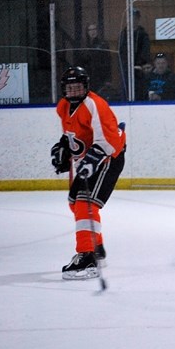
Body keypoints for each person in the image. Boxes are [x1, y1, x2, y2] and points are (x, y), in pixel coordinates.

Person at [50, 66, 126, 280]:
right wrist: (63, 149)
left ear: (86, 87)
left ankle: (88, 256)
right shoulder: (63, 107)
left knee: (85, 202)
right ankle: (96, 247)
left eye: (78, 87)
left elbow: (109, 143)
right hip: (91, 157)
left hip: (110, 156)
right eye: (70, 88)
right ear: (64, 90)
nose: (74, 92)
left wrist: (91, 161)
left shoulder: (95, 104)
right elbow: (72, 135)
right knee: (75, 202)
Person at [118, 8, 151, 99]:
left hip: (139, 71)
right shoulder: (123, 34)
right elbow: (121, 53)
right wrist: (125, 66)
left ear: (138, 19)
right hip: (126, 71)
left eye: (135, 17)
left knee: (139, 92)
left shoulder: (143, 34)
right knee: (126, 93)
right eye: (130, 17)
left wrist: (139, 64)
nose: (132, 20)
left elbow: (145, 52)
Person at [80, 23, 112, 94]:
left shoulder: (103, 44)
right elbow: (82, 61)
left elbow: (108, 62)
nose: (92, 31)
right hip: (88, 76)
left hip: (100, 77)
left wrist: (108, 79)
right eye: (90, 30)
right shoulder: (84, 45)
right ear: (87, 32)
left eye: (94, 29)